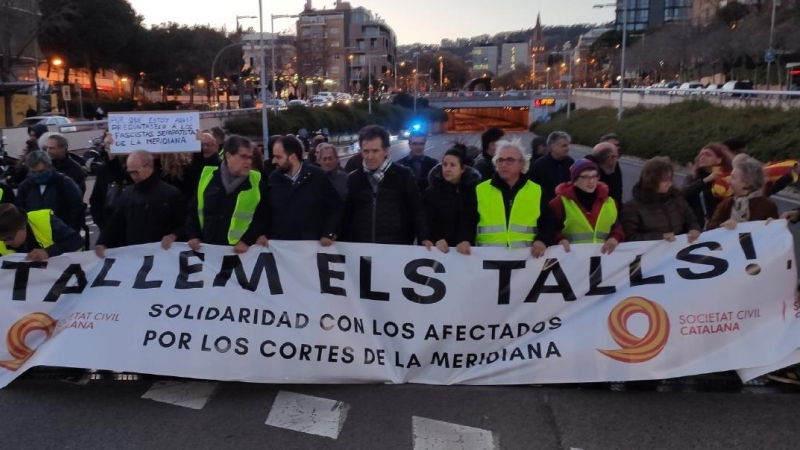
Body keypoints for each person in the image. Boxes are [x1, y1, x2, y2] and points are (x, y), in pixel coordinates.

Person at [340, 125, 432, 247]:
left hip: (395, 249)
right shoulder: (354, 178)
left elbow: (417, 210)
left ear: (386, 150)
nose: (370, 156)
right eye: (366, 151)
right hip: (362, 250)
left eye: (375, 151)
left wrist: (425, 237)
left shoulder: (404, 175)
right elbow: (347, 214)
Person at [184, 135, 268, 253]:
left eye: (250, 157)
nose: (248, 161)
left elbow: (262, 216)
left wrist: (247, 240)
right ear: (228, 156)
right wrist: (193, 235)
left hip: (241, 254)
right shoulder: (207, 177)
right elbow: (193, 209)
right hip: (208, 250)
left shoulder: (257, 182)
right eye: (243, 156)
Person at [95, 151, 187, 257]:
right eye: (130, 172)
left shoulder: (171, 194)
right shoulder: (128, 194)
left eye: (135, 172)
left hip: (163, 256)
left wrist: (174, 235)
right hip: (136, 255)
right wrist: (102, 242)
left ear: (148, 166)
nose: (133, 176)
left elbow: (184, 223)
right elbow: (115, 222)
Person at [475, 140, 555, 257]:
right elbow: (468, 220)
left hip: (525, 262)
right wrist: (464, 240)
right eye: (500, 160)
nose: (504, 164)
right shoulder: (481, 190)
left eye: (510, 160)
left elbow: (548, 221)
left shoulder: (536, 190)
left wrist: (542, 240)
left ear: (522, 163)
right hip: (488, 261)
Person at [267, 136, 343, 243]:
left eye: (278, 157)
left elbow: (336, 207)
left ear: (292, 158)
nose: (273, 161)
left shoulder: (317, 176)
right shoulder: (274, 178)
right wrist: (263, 234)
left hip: (311, 248)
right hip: (281, 250)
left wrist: (328, 233)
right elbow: (266, 211)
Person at [549, 159, 624, 254]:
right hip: (570, 259)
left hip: (601, 259)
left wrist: (615, 237)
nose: (591, 181)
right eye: (585, 177)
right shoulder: (559, 203)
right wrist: (559, 239)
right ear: (575, 180)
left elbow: (617, 226)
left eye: (594, 176)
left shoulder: (610, 202)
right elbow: (549, 229)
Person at [622, 157, 701, 243]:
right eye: (665, 180)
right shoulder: (632, 208)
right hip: (652, 254)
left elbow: (692, 220)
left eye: (670, 179)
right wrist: (660, 237)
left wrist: (694, 229)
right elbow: (630, 237)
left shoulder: (676, 199)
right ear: (652, 181)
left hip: (678, 251)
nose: (669, 183)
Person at [423, 144, 479, 255]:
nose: (447, 169)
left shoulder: (472, 191)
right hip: (439, 250)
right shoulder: (431, 192)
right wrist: (436, 238)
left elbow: (471, 219)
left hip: (463, 250)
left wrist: (465, 239)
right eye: (444, 164)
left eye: (452, 165)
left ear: (462, 169)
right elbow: (426, 220)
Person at [15, 151, 85, 233]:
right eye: (33, 172)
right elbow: (20, 211)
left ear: (49, 166)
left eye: (40, 171)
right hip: (36, 235)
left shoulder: (64, 182)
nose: (37, 175)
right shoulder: (24, 187)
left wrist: (70, 230)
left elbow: (77, 207)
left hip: (63, 234)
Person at [707, 155, 778, 230]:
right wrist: (722, 226)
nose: (728, 181)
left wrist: (773, 225)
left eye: (733, 177)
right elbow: (709, 227)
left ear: (747, 182)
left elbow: (774, 236)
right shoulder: (726, 203)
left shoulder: (767, 206)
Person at [681, 143, 734, 230]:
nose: (702, 157)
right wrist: (705, 180)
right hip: (698, 227)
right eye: (701, 155)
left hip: (722, 225)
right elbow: (682, 195)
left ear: (719, 160)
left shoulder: (728, 177)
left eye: (708, 155)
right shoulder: (693, 178)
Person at [0, 204, 82, 260]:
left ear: (23, 226)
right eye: (2, 239)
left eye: (10, 238)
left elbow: (76, 240)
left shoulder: (44, 221)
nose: (6, 243)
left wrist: (48, 252)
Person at [89, 133, 131, 229]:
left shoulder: (145, 166)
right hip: (112, 227)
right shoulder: (104, 169)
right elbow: (96, 199)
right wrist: (102, 223)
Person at [528, 131, 575, 205]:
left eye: (568, 145)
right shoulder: (539, 165)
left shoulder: (571, 163)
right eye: (564, 146)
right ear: (553, 147)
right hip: (546, 207)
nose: (568, 148)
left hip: (567, 206)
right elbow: (531, 189)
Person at [586, 141, 623, 207]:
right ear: (609, 159)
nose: (617, 159)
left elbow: (618, 193)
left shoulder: (614, 168)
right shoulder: (587, 175)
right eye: (616, 156)